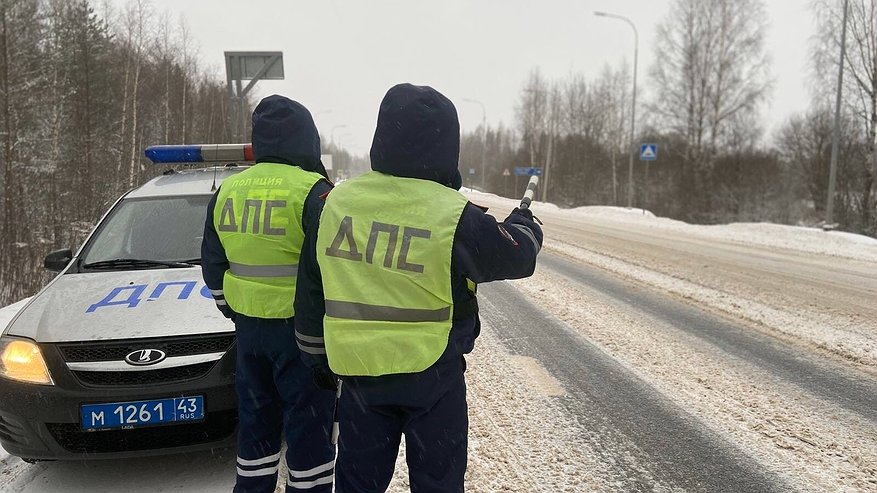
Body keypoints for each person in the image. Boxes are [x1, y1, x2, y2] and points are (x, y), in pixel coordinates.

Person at [294, 83, 543, 492]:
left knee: (357, 484)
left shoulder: (333, 205)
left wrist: (316, 359)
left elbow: (310, 291)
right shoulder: (453, 215)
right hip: (433, 379)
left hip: (360, 378)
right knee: (438, 483)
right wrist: (525, 226)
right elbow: (517, 256)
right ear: (447, 147)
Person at [201, 95, 336, 493]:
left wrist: (234, 309)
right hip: (302, 336)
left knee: (256, 422)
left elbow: (212, 263)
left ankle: (252, 487)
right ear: (306, 139)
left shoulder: (228, 190)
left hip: (249, 333)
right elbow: (330, 266)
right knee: (308, 423)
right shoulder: (314, 192)